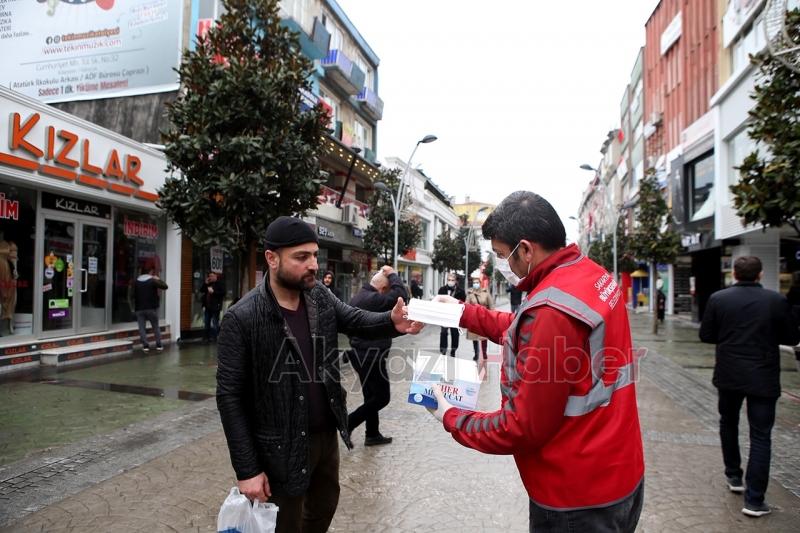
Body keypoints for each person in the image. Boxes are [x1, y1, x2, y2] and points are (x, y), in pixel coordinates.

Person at [428, 191, 644, 532]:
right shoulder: (589, 275)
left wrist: (452, 416)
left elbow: (520, 428)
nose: (504, 265)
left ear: (526, 249)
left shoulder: (551, 310)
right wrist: (462, 313)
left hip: (575, 496)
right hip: (620, 471)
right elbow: (524, 332)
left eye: (502, 255)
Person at [216, 216, 423, 533]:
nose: (313, 264)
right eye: (301, 257)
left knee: (324, 508)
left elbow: (354, 318)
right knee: (286, 523)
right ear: (272, 259)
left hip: (326, 435)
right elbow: (229, 397)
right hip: (279, 445)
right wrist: (247, 469)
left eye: (314, 255)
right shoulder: (243, 317)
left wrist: (391, 322)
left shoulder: (318, 297)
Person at [699, 256, 800, 518]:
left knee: (728, 423)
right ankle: (754, 501)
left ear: (734, 273)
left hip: (729, 374)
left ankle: (734, 476)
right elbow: (791, 337)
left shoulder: (718, 299)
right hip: (763, 377)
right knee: (761, 435)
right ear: (760, 275)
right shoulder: (776, 300)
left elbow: (706, 335)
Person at [346, 265, 408, 446]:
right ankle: (349, 422)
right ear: (383, 289)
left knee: (370, 396)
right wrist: (394, 275)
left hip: (359, 353)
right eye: (387, 290)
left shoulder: (358, 297)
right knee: (382, 397)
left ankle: (372, 434)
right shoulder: (373, 298)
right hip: (371, 356)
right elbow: (401, 297)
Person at [134, 265, 168, 353]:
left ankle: (145, 346)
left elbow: (133, 295)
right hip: (151, 308)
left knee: (141, 328)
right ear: (150, 272)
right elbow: (165, 286)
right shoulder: (152, 280)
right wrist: (158, 279)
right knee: (155, 327)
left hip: (139, 308)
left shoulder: (136, 281)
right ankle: (159, 345)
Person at [466, 277, 493, 369]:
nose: (475, 284)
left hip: (484, 318)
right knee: (474, 337)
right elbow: (466, 305)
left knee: (483, 337)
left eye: (477, 282)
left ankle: (484, 354)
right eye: (474, 282)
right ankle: (476, 353)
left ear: (480, 283)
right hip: (474, 318)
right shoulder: (470, 294)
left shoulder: (486, 293)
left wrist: (491, 317)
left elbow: (491, 306)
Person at [438, 272, 466, 356]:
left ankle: (453, 350)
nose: (450, 281)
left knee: (455, 333)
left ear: (455, 281)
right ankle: (443, 349)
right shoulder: (442, 289)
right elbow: (438, 301)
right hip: (444, 315)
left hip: (455, 316)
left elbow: (463, 303)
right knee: (443, 332)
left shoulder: (460, 291)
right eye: (449, 280)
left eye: (452, 280)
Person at [200, 272, 225, 342]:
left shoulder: (220, 284)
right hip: (207, 307)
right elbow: (201, 290)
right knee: (206, 322)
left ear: (216, 277)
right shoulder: (208, 284)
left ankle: (215, 337)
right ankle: (206, 338)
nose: (210, 277)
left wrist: (213, 292)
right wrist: (205, 283)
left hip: (215, 307)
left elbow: (223, 293)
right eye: (210, 276)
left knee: (215, 323)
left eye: (212, 276)